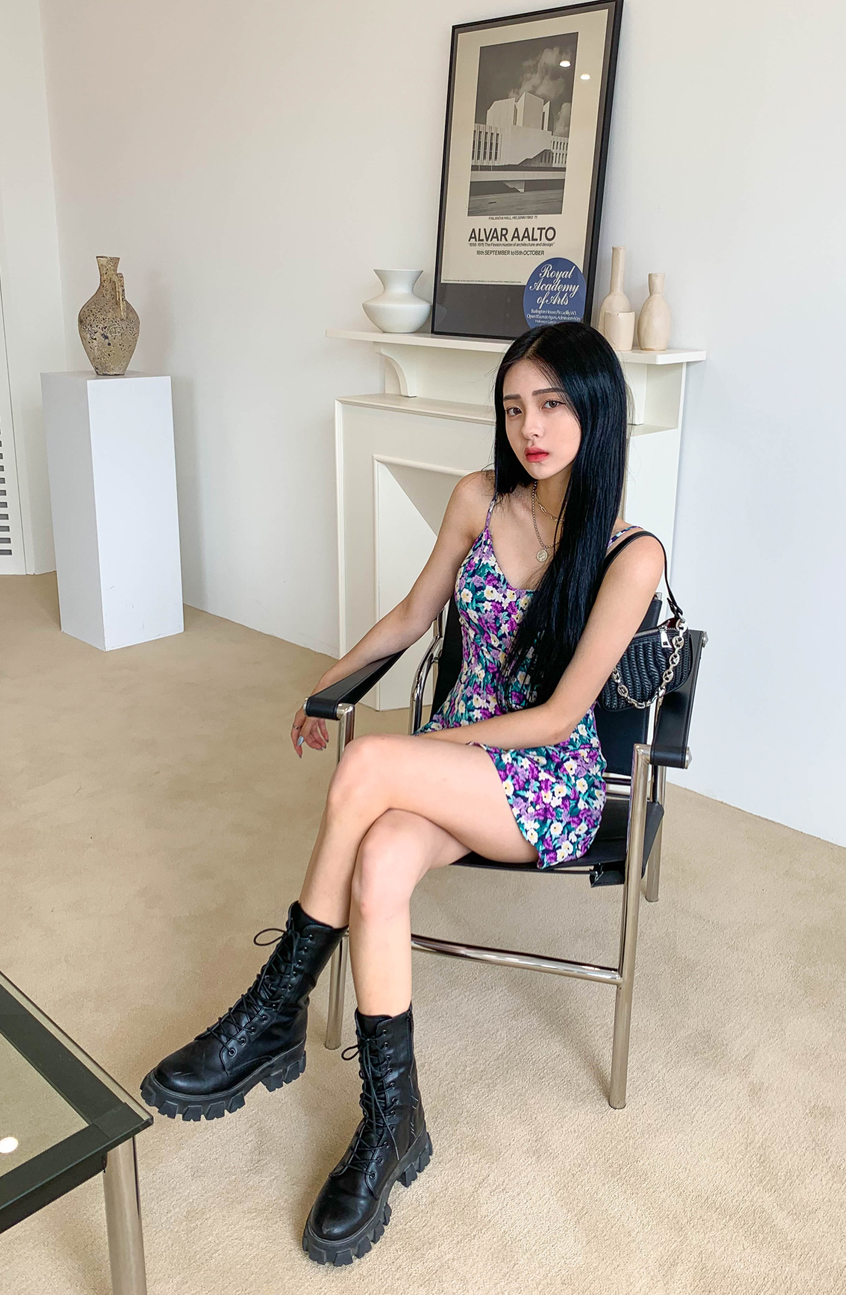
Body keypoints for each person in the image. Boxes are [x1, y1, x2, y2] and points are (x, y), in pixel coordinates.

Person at [141, 320, 664, 1266]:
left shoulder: (632, 554)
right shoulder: (478, 499)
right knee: (380, 860)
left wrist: (421, 750)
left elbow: (558, 717)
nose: (530, 427)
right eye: (515, 406)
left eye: (552, 404)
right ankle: (394, 1120)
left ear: (596, 408)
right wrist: (330, 679)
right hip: (454, 760)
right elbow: (413, 614)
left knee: (369, 766)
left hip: (545, 782)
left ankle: (273, 1010)